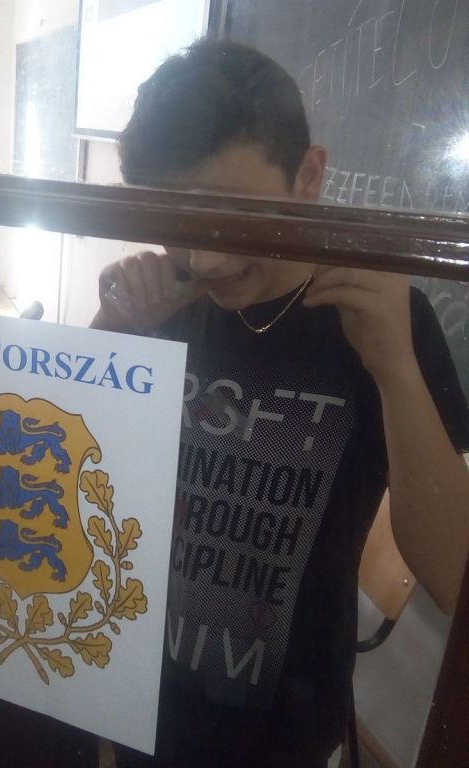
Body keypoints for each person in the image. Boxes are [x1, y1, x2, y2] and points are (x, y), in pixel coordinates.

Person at [92, 39, 469, 768]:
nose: (205, 259)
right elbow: (69, 480)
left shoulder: (383, 318)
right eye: (176, 220)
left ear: (309, 176)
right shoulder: (169, 301)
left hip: (286, 731)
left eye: (235, 216)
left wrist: (393, 365)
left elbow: (454, 573)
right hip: (133, 694)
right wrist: (112, 328)